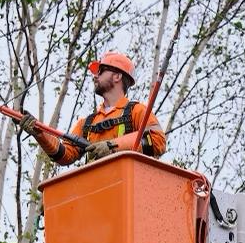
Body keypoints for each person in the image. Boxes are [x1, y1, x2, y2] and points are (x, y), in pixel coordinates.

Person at [17, 51, 166, 165]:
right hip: (96, 191)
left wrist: (112, 146)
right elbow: (65, 155)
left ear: (117, 76)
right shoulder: (87, 123)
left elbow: (158, 140)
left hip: (127, 187)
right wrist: (40, 133)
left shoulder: (137, 111)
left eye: (100, 71)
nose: (95, 76)